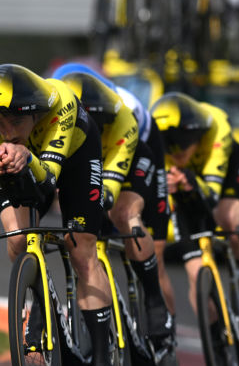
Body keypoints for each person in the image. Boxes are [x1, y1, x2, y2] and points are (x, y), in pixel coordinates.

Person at [0, 63, 118, 366]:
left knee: (82, 250)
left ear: (36, 113)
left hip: (75, 158)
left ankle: (102, 360)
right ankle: (40, 301)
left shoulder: (61, 103)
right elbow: (10, 186)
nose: (6, 131)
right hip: (30, 159)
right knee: (19, 239)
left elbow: (48, 182)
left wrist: (24, 156)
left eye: (16, 121)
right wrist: (3, 164)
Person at [52, 62, 175, 341]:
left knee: (126, 215)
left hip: (134, 147)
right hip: (88, 150)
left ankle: (156, 302)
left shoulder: (123, 106)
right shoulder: (53, 110)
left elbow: (115, 171)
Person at [151, 91, 239, 328]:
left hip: (228, 173)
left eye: (183, 140)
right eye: (168, 142)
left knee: (228, 218)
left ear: (197, 133)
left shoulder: (216, 126)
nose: (177, 150)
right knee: (196, 276)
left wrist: (192, 182)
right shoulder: (156, 146)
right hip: (187, 186)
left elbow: (212, 196)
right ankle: (216, 339)